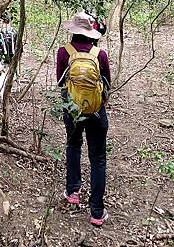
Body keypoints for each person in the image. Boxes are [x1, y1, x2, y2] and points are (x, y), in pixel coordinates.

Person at [57, 11, 111, 227]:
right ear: (91, 32)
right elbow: (107, 83)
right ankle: (97, 212)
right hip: (97, 112)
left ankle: (73, 191)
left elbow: (61, 83)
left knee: (73, 146)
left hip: (72, 111)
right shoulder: (100, 54)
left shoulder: (64, 52)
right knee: (98, 158)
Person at [0, 12, 17, 99]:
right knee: (10, 74)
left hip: (3, 57)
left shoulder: (0, 32)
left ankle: (3, 94)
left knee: (2, 74)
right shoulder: (14, 31)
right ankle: (8, 93)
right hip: (13, 56)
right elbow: (19, 45)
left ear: (2, 21)